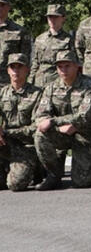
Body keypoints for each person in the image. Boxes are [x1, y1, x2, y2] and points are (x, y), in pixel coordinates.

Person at [34, 49, 91, 190]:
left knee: (82, 182)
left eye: (67, 66)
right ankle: (53, 175)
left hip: (86, 137)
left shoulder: (90, 85)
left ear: (76, 66)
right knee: (40, 134)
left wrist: (55, 121)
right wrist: (56, 126)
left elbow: (84, 116)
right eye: (60, 66)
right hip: (63, 133)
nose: (63, 70)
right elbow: (41, 115)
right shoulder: (51, 87)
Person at [0, 53, 42, 191]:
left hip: (26, 145)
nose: (16, 71)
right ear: (7, 70)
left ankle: (36, 168)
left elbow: (36, 126)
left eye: (20, 67)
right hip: (5, 143)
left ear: (27, 70)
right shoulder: (2, 93)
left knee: (15, 185)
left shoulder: (37, 94)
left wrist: (7, 132)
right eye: (13, 67)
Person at [31, 4, 74, 87]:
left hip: (58, 82)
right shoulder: (40, 39)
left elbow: (72, 65)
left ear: (63, 18)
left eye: (56, 17)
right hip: (39, 82)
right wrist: (31, 80)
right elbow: (35, 63)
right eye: (50, 17)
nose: (52, 20)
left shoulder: (68, 40)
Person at [0, 0, 31, 87]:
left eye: (2, 5)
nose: (0, 8)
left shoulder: (19, 31)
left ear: (9, 7)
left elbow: (25, 59)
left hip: (8, 81)